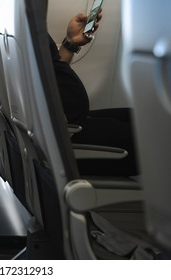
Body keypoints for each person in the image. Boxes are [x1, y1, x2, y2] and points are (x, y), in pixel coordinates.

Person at [49, 11, 138, 176]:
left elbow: (53, 77)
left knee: (140, 117)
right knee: (160, 137)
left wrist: (70, 43)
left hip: (65, 125)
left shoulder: (25, 24)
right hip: (64, 136)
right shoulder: (27, 25)